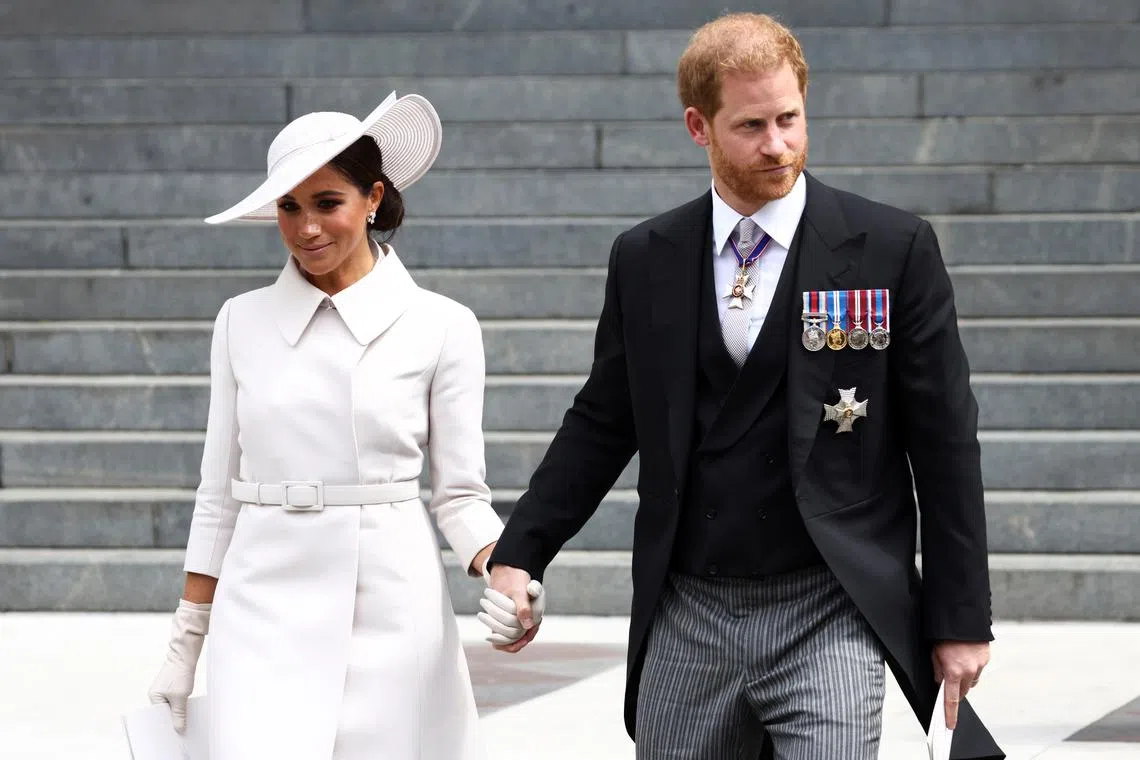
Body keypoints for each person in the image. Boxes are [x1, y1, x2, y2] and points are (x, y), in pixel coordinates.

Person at [483, 13, 1004, 760]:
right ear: (698, 125)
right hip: (688, 606)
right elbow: (602, 421)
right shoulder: (645, 258)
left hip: (830, 603)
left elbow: (947, 442)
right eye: (751, 125)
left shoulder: (892, 249)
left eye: (790, 118)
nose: (779, 145)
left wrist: (960, 619)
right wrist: (519, 553)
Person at [146, 92, 517, 760]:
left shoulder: (443, 324)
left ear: (373, 198)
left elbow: (461, 496)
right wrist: (186, 641)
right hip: (259, 604)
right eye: (288, 207)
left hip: (391, 610)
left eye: (326, 203)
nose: (305, 227)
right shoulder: (240, 320)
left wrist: (510, 574)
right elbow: (217, 492)